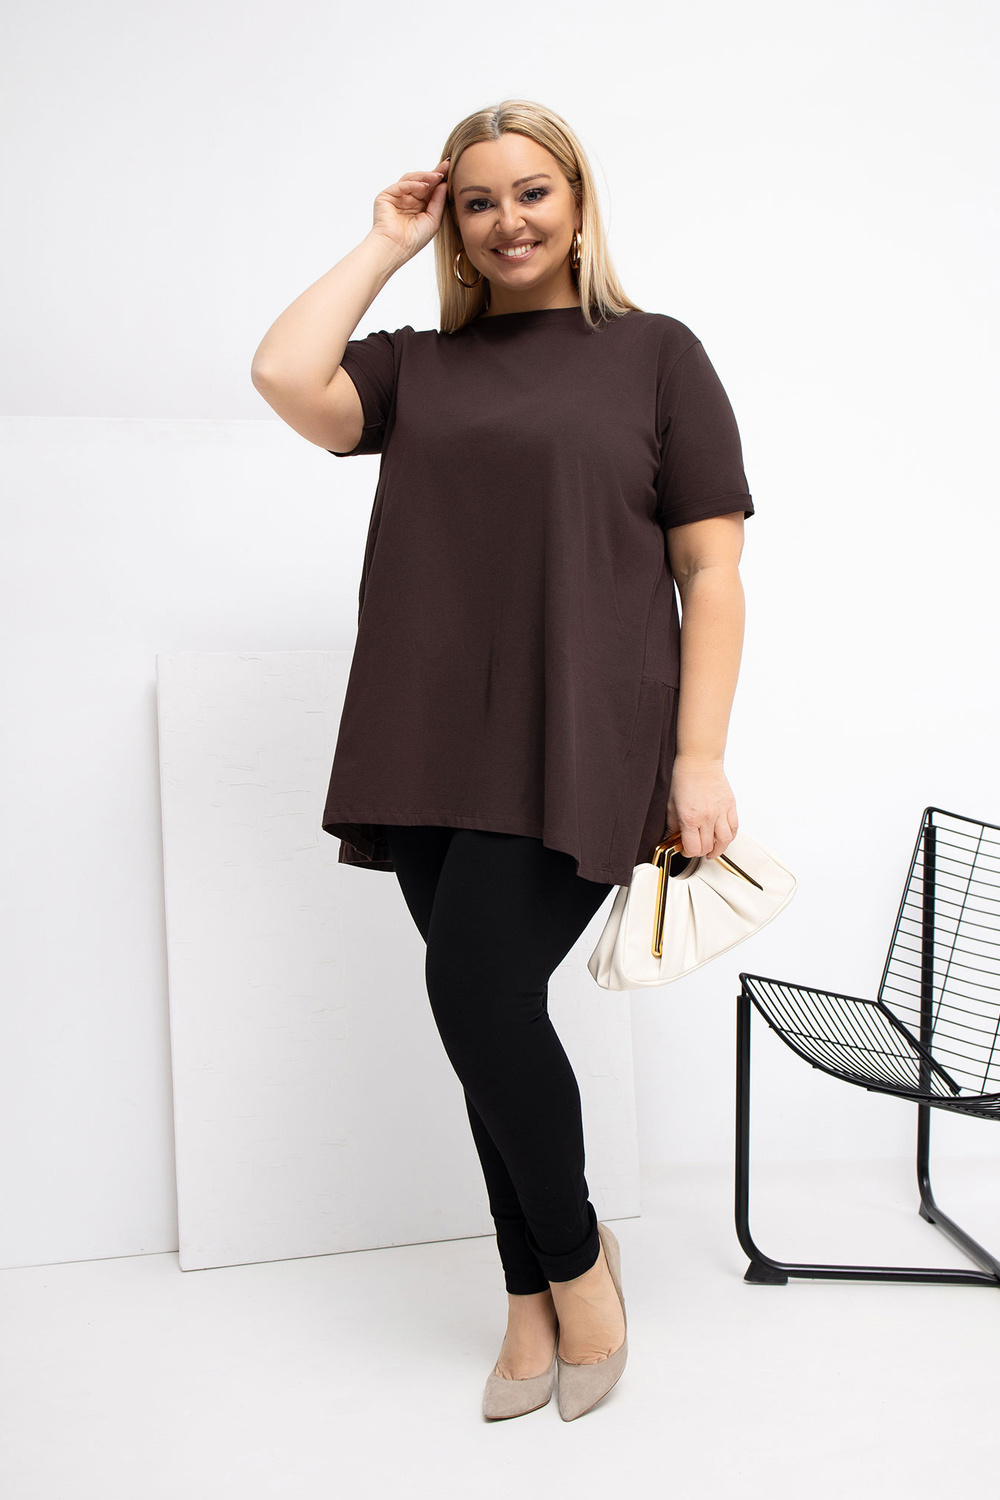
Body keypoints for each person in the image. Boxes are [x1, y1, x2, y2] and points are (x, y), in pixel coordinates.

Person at [250, 99, 754, 1422]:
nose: (507, 219)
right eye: (478, 201)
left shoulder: (656, 354)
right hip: (427, 733)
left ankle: (578, 1268)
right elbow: (285, 376)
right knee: (484, 1012)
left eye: (533, 191)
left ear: (577, 205)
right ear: (455, 226)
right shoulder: (418, 368)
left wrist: (699, 759)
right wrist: (384, 241)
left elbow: (711, 572)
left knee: (474, 989)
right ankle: (528, 1293)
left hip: (585, 729)